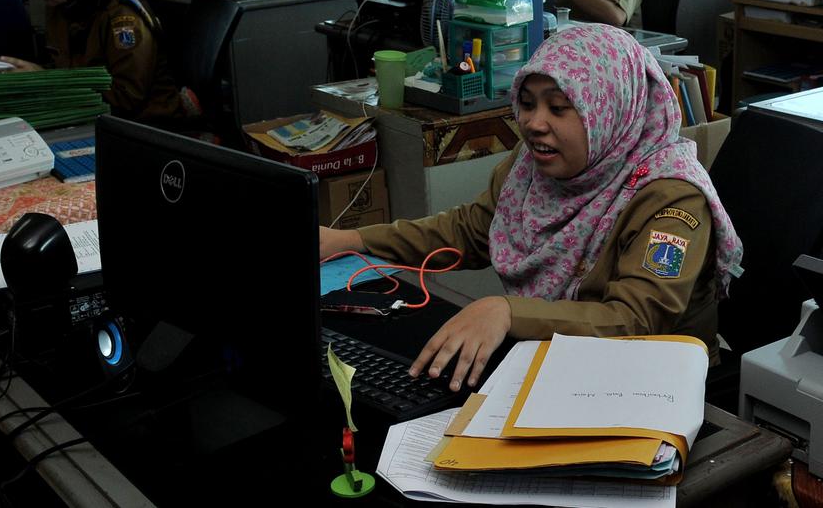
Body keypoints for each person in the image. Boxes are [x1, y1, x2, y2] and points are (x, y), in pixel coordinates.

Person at [319, 24, 744, 392]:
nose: (535, 123)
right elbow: (469, 231)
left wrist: (506, 311)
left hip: (653, 383)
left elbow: (634, 320)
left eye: (559, 107)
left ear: (608, 110)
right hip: (557, 361)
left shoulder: (671, 198)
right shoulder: (532, 167)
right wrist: (350, 240)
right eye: (527, 103)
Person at [2, 0, 189, 122]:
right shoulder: (64, 4)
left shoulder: (121, 16)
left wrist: (47, 81)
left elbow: (126, 98)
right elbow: (62, 66)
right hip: (91, 114)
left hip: (144, 122)